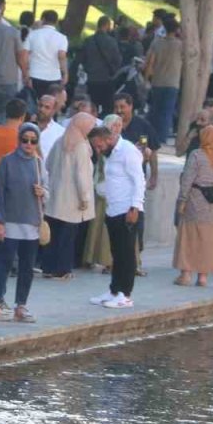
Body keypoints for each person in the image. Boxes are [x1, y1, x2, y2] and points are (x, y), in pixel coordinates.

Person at [0, 123, 44, 322]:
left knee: (27, 267)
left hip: (31, 223)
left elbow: (48, 189)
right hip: (9, 222)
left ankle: (21, 305)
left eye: (33, 141)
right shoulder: (7, 161)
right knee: (3, 263)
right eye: (25, 140)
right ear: (19, 140)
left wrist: (43, 192)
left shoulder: (39, 163)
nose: (28, 144)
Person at [88, 126, 144, 309]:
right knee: (116, 253)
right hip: (113, 210)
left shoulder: (128, 151)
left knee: (127, 254)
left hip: (128, 210)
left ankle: (125, 295)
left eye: (99, 146)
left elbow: (139, 180)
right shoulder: (109, 154)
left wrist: (135, 207)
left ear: (108, 140)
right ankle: (114, 290)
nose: (98, 150)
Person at [173, 125, 213, 287]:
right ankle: (203, 278)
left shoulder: (196, 156)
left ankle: (185, 275)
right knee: (210, 242)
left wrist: (181, 201)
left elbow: (187, 180)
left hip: (196, 203)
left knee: (189, 238)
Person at [44, 112, 94, 280]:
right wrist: (85, 197)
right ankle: (63, 269)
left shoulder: (60, 141)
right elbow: (82, 175)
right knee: (67, 236)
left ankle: (48, 267)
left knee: (55, 235)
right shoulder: (80, 146)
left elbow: (48, 164)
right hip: (73, 199)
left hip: (56, 196)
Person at [143, 15, 181, 143]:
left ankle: (150, 135)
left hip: (157, 81)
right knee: (167, 111)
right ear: (176, 30)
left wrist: (146, 79)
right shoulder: (180, 46)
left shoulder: (157, 43)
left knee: (154, 110)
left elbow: (150, 62)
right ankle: (162, 137)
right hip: (173, 82)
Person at [81, 16, 123, 115]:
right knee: (108, 108)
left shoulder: (88, 41)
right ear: (107, 25)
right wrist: (113, 71)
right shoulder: (111, 41)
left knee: (92, 107)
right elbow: (118, 59)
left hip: (92, 79)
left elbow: (82, 59)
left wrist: (88, 69)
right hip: (107, 79)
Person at [22, 10, 68, 97]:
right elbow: (62, 56)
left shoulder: (32, 35)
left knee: (33, 101)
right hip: (54, 76)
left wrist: (25, 74)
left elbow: (24, 55)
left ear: (43, 19)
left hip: (35, 74)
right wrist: (65, 73)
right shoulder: (62, 38)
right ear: (56, 21)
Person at [34, 94, 65, 159]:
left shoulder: (61, 132)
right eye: (40, 105)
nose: (42, 109)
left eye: (47, 107)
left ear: (53, 111)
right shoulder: (25, 126)